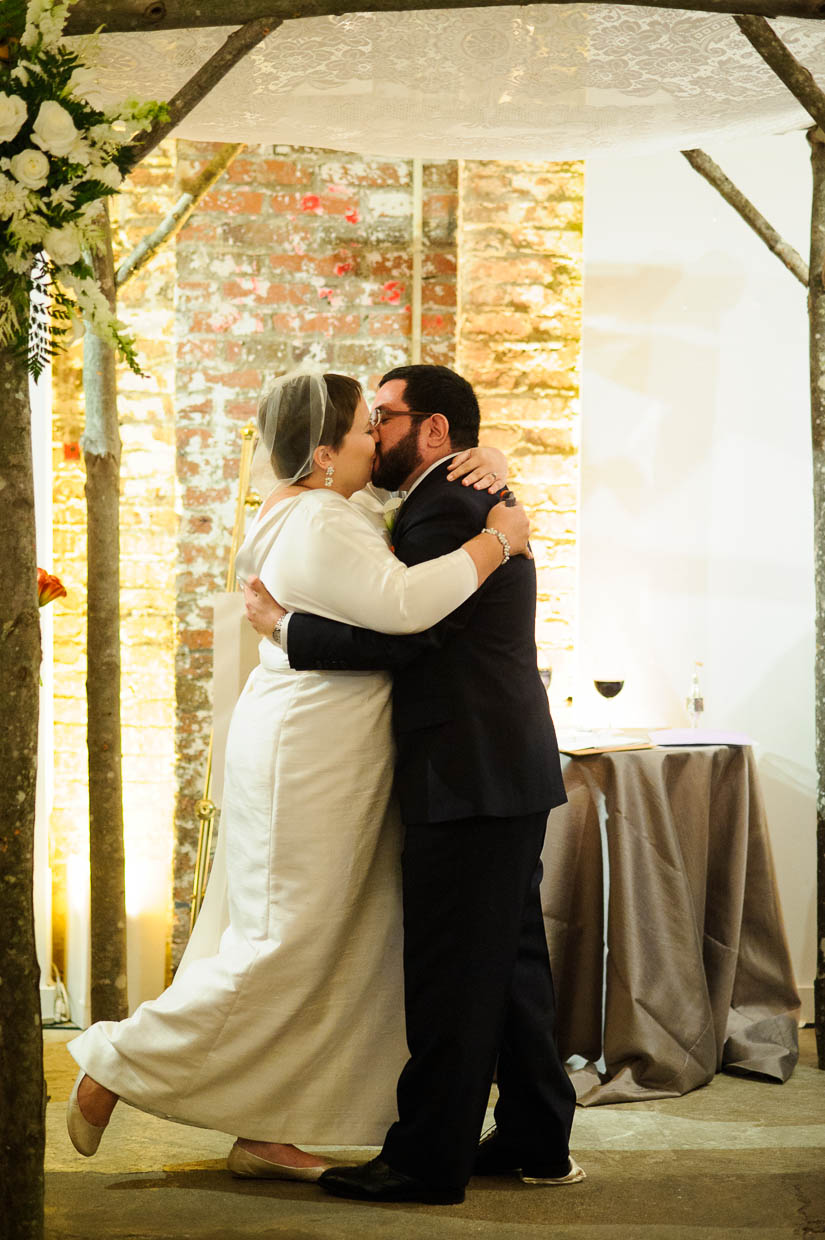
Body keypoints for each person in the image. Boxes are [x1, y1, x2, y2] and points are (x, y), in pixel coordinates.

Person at [65, 369, 527, 1181]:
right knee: (287, 940)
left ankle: (265, 1128)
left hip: (326, 743)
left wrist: (482, 451)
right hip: (309, 751)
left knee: (322, 945)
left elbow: (399, 505)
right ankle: (118, 1058)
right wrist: (499, 537)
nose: (372, 441)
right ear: (322, 455)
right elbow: (407, 605)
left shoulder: (326, 509)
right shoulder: (320, 519)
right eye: (361, 430)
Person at [244, 364, 581, 1206]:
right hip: (499, 764)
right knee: (506, 964)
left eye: (385, 418)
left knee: (449, 976)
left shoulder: (445, 510)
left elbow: (408, 636)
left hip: (463, 768)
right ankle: (539, 1137)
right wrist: (494, 456)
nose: (373, 434)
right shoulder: (454, 499)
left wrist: (287, 627)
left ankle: (426, 1161)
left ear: (434, 432)